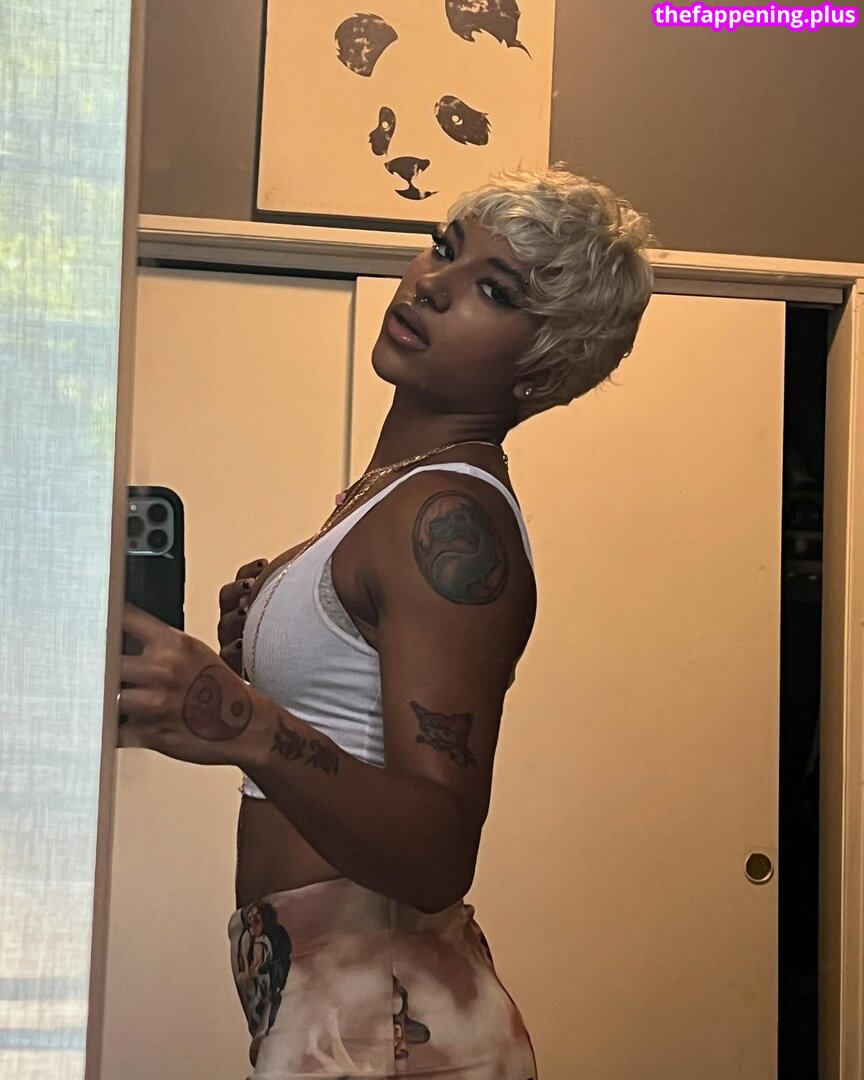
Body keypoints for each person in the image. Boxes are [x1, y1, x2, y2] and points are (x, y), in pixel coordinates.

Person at [119, 164, 654, 1079]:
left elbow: (438, 851)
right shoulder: (394, 498)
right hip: (345, 1000)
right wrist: (260, 660)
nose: (433, 284)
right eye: (444, 247)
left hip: (388, 1017)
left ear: (543, 370)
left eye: (494, 290)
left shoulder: (449, 519)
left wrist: (243, 719)